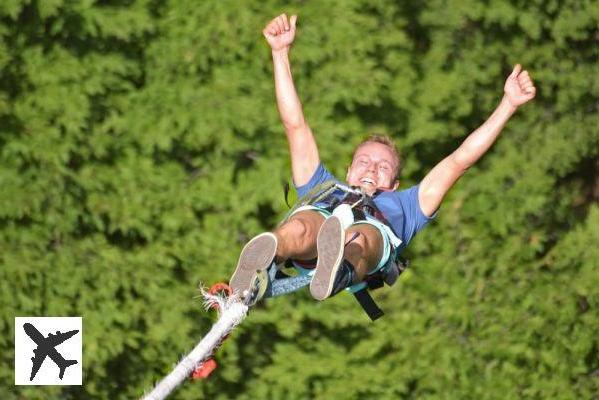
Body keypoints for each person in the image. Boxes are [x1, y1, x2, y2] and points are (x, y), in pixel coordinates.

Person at [230, 13, 536, 302]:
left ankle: (338, 270)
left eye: (382, 166)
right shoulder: (321, 184)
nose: (371, 169)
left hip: (364, 247)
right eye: (364, 161)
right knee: (300, 228)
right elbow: (294, 126)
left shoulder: (408, 206)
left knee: (359, 239)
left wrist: (508, 105)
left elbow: (460, 160)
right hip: (319, 228)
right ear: (349, 170)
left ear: (395, 182)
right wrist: (280, 53)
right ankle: (268, 255)